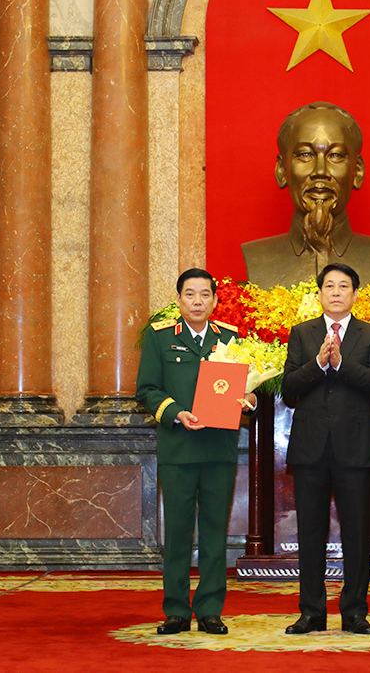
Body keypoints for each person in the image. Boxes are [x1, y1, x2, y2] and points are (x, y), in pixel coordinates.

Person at [135, 268, 255, 636]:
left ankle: (210, 610)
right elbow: (147, 389)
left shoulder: (231, 340)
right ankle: (175, 611)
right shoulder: (159, 339)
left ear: (216, 301)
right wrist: (175, 412)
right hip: (178, 448)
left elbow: (244, 388)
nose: (198, 301)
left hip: (218, 449)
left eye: (205, 295)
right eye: (190, 294)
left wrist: (249, 400)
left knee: (216, 533)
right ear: (179, 300)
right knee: (178, 533)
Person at [281, 263, 370, 635]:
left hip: (355, 449)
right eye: (330, 285)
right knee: (310, 533)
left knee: (357, 534)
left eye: (344, 286)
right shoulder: (302, 334)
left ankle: (355, 611)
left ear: (356, 294)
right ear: (320, 293)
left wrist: (342, 365)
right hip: (311, 449)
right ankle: (311, 612)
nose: (337, 292)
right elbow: (289, 389)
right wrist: (318, 364)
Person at [242, 101, 370, 288]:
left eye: (336, 155)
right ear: (282, 170)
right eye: (305, 155)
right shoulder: (258, 257)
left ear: (357, 171)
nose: (320, 171)